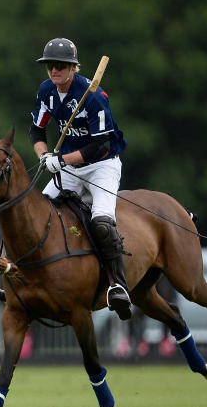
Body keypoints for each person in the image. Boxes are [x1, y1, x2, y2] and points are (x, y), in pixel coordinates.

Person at [30, 37, 131, 319]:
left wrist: (61, 160)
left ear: (73, 68)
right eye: (50, 65)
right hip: (69, 167)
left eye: (60, 65)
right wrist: (44, 155)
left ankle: (118, 286)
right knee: (37, 216)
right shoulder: (47, 91)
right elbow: (36, 130)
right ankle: (26, 282)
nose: (54, 70)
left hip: (102, 166)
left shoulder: (93, 96)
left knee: (102, 223)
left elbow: (101, 145)